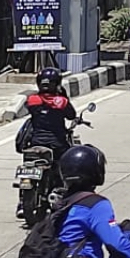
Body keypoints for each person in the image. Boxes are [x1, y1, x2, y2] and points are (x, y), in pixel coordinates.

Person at [18, 67, 78, 219]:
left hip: (35, 142)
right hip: (56, 143)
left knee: (28, 163)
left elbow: (32, 109)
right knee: (64, 167)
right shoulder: (62, 102)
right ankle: (59, 193)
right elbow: (71, 115)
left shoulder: (32, 100)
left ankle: (21, 202)